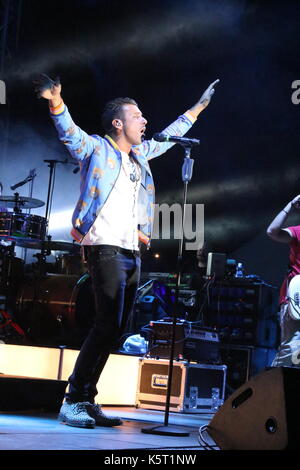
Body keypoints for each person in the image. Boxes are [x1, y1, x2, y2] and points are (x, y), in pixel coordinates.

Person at [34, 73, 219, 428]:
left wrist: (198, 108)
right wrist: (56, 102)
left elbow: (170, 136)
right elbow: (69, 133)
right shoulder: (97, 148)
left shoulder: (138, 155)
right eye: (138, 117)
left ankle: (86, 399)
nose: (145, 121)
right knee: (106, 323)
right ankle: (73, 399)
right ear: (118, 123)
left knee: (115, 327)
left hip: (131, 248)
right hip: (104, 245)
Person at [267, 194, 300, 367]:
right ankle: (270, 389)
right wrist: (290, 205)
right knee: (292, 348)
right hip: (296, 299)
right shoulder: (298, 231)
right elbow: (272, 231)